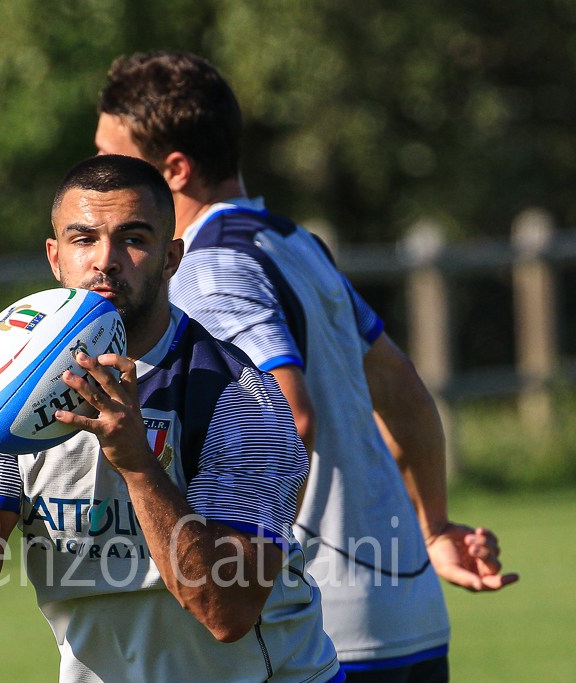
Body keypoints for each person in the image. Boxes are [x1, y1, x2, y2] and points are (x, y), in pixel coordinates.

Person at [94, 51, 519, 681]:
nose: (99, 176)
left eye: (112, 157)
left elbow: (291, 414)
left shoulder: (207, 267)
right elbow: (402, 390)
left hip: (319, 627)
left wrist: (239, 569)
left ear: (175, 169)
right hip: (408, 610)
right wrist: (434, 528)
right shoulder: (293, 243)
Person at [0, 154, 343, 682]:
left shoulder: (238, 396)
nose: (106, 260)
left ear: (171, 258)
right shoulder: (11, 393)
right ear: (55, 256)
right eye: (83, 239)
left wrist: (139, 467)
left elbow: (226, 609)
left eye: (133, 239)